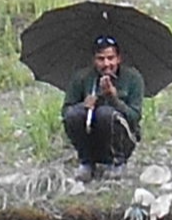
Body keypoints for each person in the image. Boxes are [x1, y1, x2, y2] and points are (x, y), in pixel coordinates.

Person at [62, 36, 145, 175]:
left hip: (122, 137)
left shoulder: (133, 78)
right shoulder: (82, 78)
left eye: (111, 58)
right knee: (74, 114)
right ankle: (86, 162)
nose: (106, 64)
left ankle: (117, 162)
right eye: (101, 59)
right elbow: (66, 111)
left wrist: (114, 99)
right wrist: (84, 105)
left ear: (118, 58)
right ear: (94, 60)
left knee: (106, 114)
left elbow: (135, 117)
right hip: (92, 136)